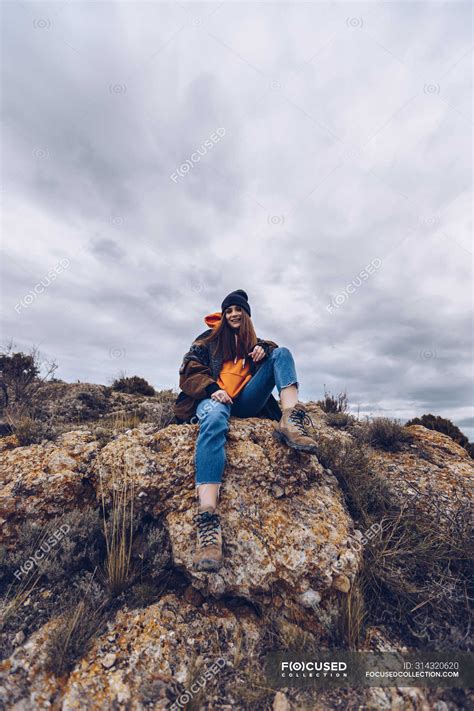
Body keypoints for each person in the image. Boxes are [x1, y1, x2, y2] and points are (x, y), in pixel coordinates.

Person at [174, 289, 318, 572]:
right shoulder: (208, 340)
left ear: (247, 314)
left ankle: (290, 418)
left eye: (238, 310)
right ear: (224, 315)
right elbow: (189, 369)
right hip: (213, 399)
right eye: (228, 311)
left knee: (283, 353)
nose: (233, 315)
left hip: (246, 401)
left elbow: (273, 351)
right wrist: (213, 389)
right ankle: (207, 519)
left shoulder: (254, 343)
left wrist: (266, 347)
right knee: (214, 420)